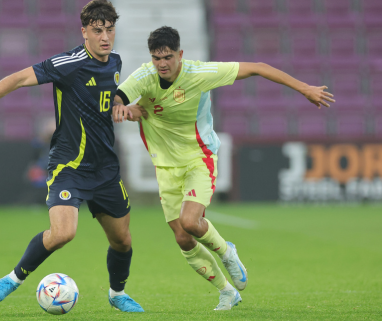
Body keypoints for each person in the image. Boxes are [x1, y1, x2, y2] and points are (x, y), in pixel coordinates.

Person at [112, 26, 335, 310]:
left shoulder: (200, 74)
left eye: (168, 57)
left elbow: (258, 67)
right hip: (165, 167)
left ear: (180, 54)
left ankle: (227, 251)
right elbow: (118, 96)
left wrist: (305, 88)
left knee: (191, 222)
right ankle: (227, 292)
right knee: (182, 238)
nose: (162, 64)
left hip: (199, 158)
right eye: (156, 58)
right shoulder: (145, 76)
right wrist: (122, 108)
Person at [0, 0, 144, 312]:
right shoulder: (68, 63)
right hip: (69, 165)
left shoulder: (115, 63)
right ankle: (13, 278)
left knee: (123, 241)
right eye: (98, 30)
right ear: (84, 31)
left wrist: (124, 109)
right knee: (64, 232)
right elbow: (17, 78)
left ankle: (117, 294)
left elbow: (100, 104)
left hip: (106, 169)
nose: (105, 37)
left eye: (109, 30)